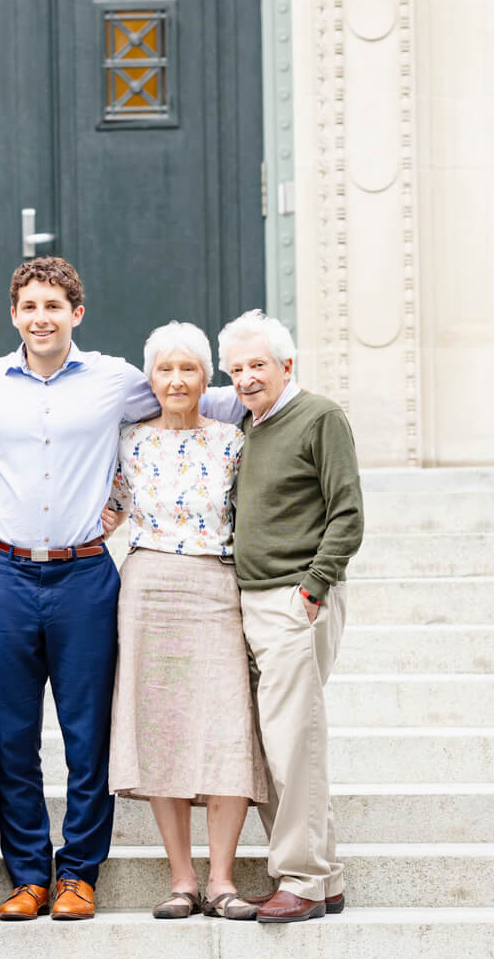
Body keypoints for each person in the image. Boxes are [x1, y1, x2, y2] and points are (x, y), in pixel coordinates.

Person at [0, 256, 170, 923]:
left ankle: (78, 871)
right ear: (14, 314)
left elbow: (175, 410)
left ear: (76, 313)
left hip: (84, 574)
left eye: (54, 306)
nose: (41, 317)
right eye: (29, 307)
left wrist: (121, 495)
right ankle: (27, 873)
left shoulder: (116, 380)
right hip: (4, 573)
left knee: (88, 733)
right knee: (11, 734)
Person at [104, 322, 269, 921]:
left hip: (216, 585)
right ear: (150, 379)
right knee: (162, 730)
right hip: (147, 589)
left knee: (227, 727)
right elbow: (110, 512)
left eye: (189, 369)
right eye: (165, 370)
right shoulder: (129, 441)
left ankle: (222, 880)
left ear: (207, 378)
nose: (177, 380)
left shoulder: (233, 440)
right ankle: (182, 880)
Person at [216, 310, 363, 924]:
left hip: (294, 601)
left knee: (292, 742)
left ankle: (298, 879)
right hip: (249, 600)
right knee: (277, 742)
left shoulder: (319, 416)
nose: (247, 378)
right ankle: (321, 879)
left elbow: (347, 513)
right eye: (237, 369)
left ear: (287, 365)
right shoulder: (250, 428)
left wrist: (312, 589)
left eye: (258, 366)